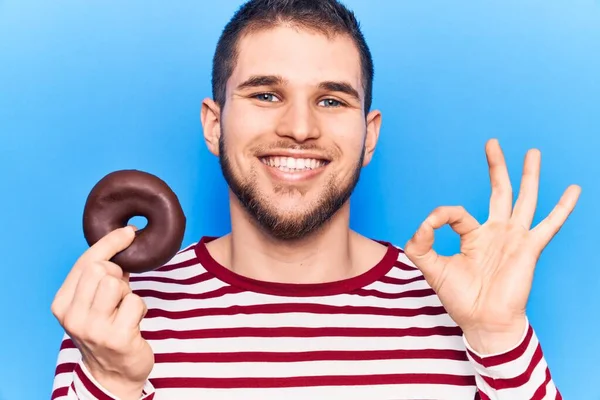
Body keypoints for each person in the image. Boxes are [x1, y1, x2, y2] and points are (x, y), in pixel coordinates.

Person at [50, 0, 580, 399]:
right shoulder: (118, 316)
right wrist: (113, 379)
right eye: (266, 94)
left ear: (369, 136)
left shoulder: (459, 305)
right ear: (214, 124)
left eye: (330, 99)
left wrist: (499, 336)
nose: (299, 128)